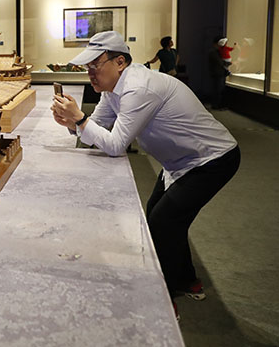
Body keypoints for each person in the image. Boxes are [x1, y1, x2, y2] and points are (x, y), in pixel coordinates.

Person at [51, 31, 240, 318]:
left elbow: (115, 145)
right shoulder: (112, 90)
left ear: (120, 62)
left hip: (211, 159)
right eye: (86, 66)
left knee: (162, 221)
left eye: (95, 64)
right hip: (180, 162)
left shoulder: (139, 88)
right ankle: (187, 280)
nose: (90, 72)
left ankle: (161, 299)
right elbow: (92, 134)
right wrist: (71, 122)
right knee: (163, 217)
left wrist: (80, 120)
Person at [209, 36, 230, 109]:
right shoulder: (213, 52)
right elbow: (220, 62)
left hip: (218, 73)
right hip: (217, 73)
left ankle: (217, 104)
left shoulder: (217, 52)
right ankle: (216, 105)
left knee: (218, 89)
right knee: (218, 90)